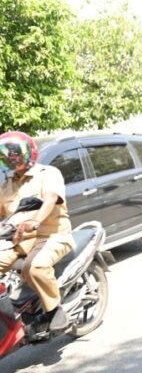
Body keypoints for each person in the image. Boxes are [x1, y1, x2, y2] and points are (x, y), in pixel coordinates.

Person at [0, 131, 75, 332]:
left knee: (34, 267)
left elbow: (50, 199)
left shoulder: (48, 173)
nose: (11, 158)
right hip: (18, 242)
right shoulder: (7, 185)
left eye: (14, 153)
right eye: (7, 155)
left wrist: (35, 220)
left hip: (51, 236)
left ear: (27, 152)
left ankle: (54, 311)